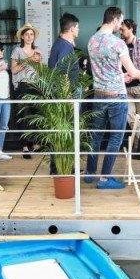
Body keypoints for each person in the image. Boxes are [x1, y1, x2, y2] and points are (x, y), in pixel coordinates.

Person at [84, 6, 140, 189]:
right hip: (117, 97)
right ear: (114, 20)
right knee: (115, 137)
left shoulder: (92, 41)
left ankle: (90, 173)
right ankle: (105, 179)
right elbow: (133, 71)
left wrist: (121, 77)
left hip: (99, 95)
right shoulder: (117, 43)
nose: (121, 25)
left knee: (96, 135)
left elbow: (104, 71)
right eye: (120, 22)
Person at [47, 13, 81, 175]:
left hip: (60, 95)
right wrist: (68, 98)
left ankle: (58, 168)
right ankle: (64, 169)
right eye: (77, 27)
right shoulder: (65, 46)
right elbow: (63, 72)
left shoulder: (60, 44)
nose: (78, 30)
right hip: (65, 97)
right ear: (72, 28)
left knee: (60, 132)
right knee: (65, 132)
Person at [11, 24, 43, 160]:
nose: (29, 36)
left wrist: (39, 62)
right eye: (27, 34)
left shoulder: (38, 51)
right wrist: (29, 60)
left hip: (36, 85)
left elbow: (41, 71)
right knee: (24, 116)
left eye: (31, 34)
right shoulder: (17, 51)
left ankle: (35, 143)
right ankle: (24, 146)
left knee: (36, 115)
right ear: (22, 37)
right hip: (23, 86)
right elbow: (13, 70)